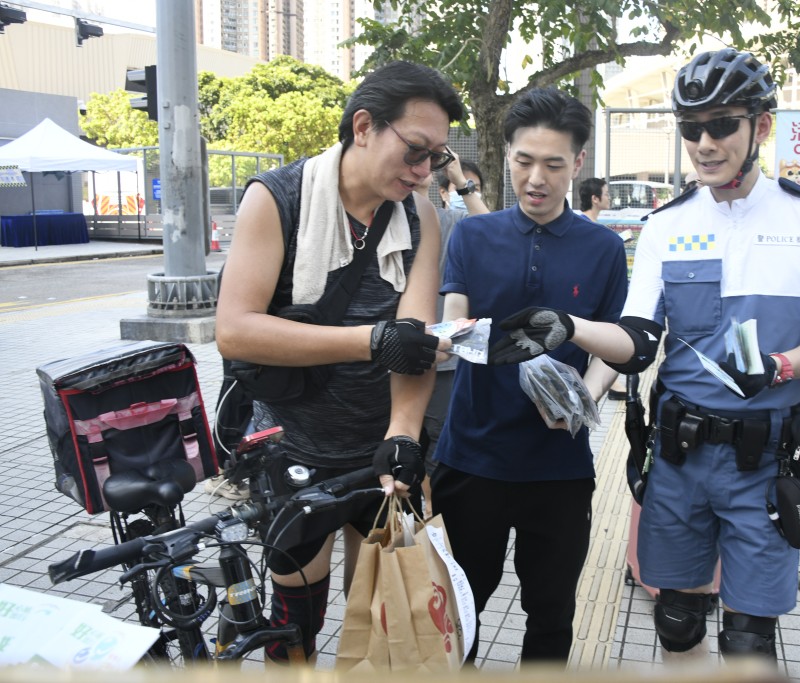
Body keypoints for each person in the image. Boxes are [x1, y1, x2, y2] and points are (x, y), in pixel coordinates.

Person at [490, 48, 800, 662]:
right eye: (692, 128)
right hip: (679, 457)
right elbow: (637, 343)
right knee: (677, 623)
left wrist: (784, 366)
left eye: (722, 125)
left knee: (749, 643)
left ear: (761, 126)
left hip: (766, 460)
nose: (705, 142)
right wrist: (570, 326)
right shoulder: (667, 225)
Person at [215, 60, 463, 663]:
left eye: (435, 156)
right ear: (362, 127)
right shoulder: (277, 199)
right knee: (295, 621)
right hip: (291, 447)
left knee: (381, 615)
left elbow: (416, 341)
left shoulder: (419, 215)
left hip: (377, 447)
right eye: (414, 150)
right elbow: (235, 329)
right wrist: (370, 339)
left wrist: (404, 432)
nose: (423, 170)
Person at [430, 87, 628, 665]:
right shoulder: (472, 235)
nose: (536, 178)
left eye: (554, 165)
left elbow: (612, 349)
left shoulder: (604, 249)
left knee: (551, 615)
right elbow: (452, 323)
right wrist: (440, 341)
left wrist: (579, 403)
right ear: (506, 154)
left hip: (559, 467)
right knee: (460, 609)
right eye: (523, 161)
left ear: (579, 164)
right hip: (471, 458)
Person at [417, 154, 489, 514]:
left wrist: (461, 180)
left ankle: (433, 519)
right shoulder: (376, 224)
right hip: (386, 360)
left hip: (443, 360)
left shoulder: (451, 222)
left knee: (437, 449)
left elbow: (491, 228)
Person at [577, 176, 629, 400]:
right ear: (595, 199)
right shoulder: (584, 230)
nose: (609, 198)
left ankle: (612, 383)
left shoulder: (601, 234)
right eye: (606, 194)